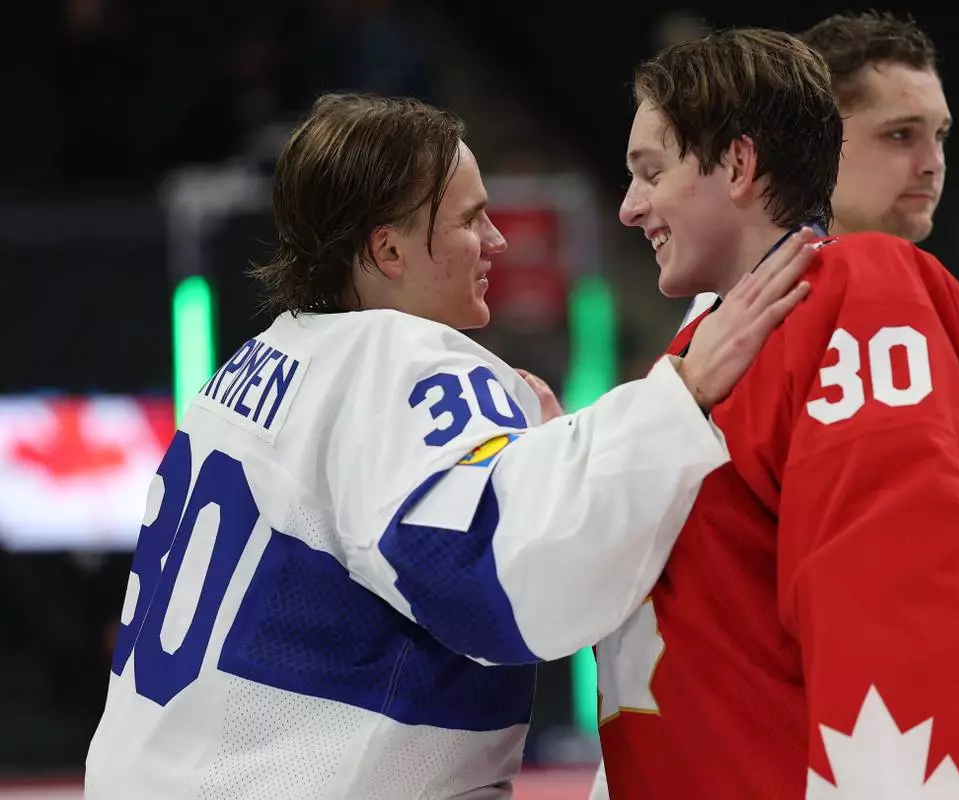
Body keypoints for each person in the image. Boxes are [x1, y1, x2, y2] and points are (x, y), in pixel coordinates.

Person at [82, 93, 818, 799]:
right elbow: (502, 582)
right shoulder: (403, 362)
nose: (497, 240)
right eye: (472, 219)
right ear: (390, 249)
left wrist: (548, 458)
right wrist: (677, 395)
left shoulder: (252, 366)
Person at [591, 28, 959, 798]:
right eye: (899, 133)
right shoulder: (706, 351)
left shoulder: (861, 291)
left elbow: (915, 618)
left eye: (652, 172)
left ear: (742, 163)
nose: (628, 206)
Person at [680, 11, 951, 327]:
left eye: (940, 135)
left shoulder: (942, 306)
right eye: (901, 134)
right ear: (812, 139)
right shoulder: (738, 310)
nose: (934, 163)